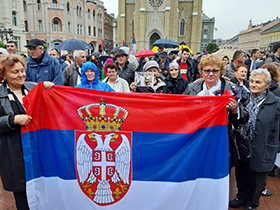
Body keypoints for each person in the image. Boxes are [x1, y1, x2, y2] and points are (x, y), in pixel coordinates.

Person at [0, 54, 54, 210]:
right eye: (15, 72)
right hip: (13, 153)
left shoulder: (34, 87)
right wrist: (13, 120)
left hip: (38, 151)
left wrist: (50, 90)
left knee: (43, 192)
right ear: (4, 74)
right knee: (22, 197)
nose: (21, 75)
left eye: (22, 71)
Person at [229, 68, 280, 210]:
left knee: (258, 178)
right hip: (243, 144)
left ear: (267, 85)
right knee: (242, 173)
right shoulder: (244, 98)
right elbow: (238, 120)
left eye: (258, 82)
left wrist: (276, 146)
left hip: (263, 146)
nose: (253, 84)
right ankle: (241, 197)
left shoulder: (276, 103)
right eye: (251, 81)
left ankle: (252, 203)